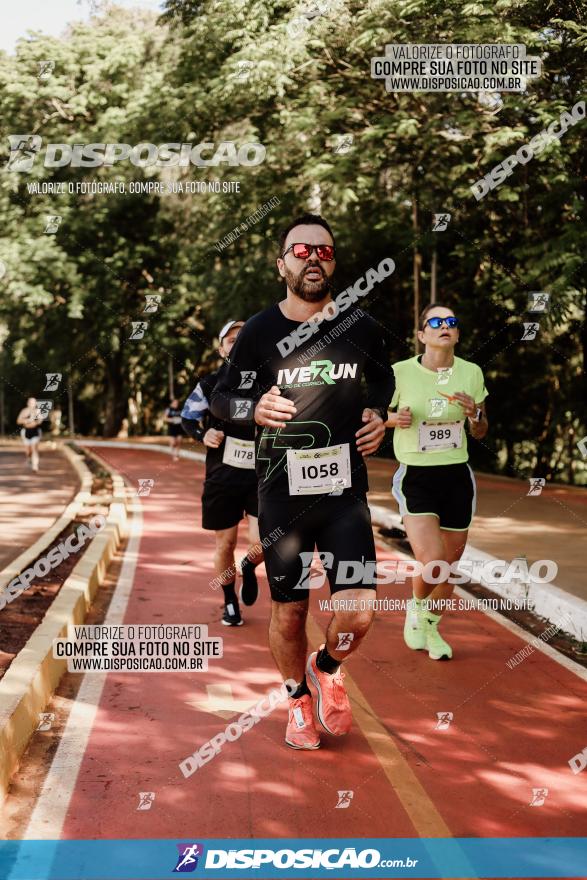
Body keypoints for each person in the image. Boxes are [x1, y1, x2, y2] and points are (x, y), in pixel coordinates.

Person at [210, 214, 394, 750]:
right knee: (290, 612)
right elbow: (225, 399)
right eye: (302, 250)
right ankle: (297, 698)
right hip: (281, 494)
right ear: (282, 264)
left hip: (344, 495)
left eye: (325, 251)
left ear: (334, 262)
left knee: (358, 613)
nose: (314, 258)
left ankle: (326, 668)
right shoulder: (261, 331)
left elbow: (383, 376)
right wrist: (254, 406)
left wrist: (380, 414)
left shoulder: (358, 326)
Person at [386, 303, 489, 660]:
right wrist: (391, 420)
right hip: (416, 474)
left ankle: (430, 627)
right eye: (436, 322)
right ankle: (416, 607)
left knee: (449, 567)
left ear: (457, 334)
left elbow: (481, 430)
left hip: (457, 475)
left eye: (451, 322)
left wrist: (474, 414)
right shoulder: (399, 372)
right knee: (433, 561)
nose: (444, 326)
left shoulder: (471, 373)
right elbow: (374, 414)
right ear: (421, 335)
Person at [181, 320, 263, 627]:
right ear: (221, 349)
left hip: (260, 475)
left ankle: (249, 565)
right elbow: (188, 417)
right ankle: (230, 601)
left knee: (263, 541)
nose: (238, 344)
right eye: (231, 340)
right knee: (225, 544)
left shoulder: (267, 382)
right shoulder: (209, 384)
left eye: (243, 339)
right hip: (223, 476)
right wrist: (202, 435)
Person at [17, 397, 44, 472]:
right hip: (26, 432)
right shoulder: (24, 411)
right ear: (28, 403)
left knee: (34, 448)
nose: (32, 404)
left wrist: (36, 419)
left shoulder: (37, 411)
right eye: (31, 403)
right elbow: (18, 421)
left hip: (35, 432)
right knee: (28, 451)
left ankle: (35, 466)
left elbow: (40, 421)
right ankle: (29, 458)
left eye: (34, 402)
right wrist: (26, 420)